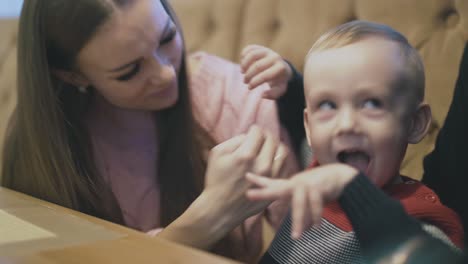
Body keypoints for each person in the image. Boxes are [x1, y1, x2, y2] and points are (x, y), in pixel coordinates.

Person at [0, 0, 301, 262]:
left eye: (167, 37)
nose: (167, 73)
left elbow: (309, 237)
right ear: (73, 75)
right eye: (130, 71)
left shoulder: (233, 93)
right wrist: (206, 219)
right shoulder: (48, 150)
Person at [244, 20, 464, 263]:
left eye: (371, 103)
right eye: (328, 105)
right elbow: (299, 131)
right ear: (309, 126)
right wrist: (288, 82)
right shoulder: (317, 169)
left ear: (415, 123)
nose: (346, 124)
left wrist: (352, 187)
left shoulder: (417, 220)